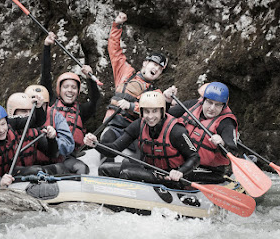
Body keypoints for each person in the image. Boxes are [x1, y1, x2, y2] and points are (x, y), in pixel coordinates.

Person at [101, 12, 177, 162]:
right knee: (107, 138)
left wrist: (130, 105)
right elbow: (114, 50)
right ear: (145, 63)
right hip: (113, 124)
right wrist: (117, 25)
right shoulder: (125, 72)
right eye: (153, 64)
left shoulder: (156, 93)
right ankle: (105, 170)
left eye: (159, 69)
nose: (155, 69)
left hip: (134, 131)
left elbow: (155, 114)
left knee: (144, 152)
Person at [83, 91, 199, 188]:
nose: (150, 116)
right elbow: (115, 149)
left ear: (162, 111)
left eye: (155, 111)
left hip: (169, 177)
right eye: (147, 111)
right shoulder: (139, 124)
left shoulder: (176, 131)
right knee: (104, 169)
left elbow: (195, 157)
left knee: (127, 173)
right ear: (142, 112)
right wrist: (96, 144)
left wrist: (180, 172)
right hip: (149, 170)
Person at [40, 32, 100, 174]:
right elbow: (45, 76)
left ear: (78, 91)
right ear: (59, 90)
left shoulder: (81, 111)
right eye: (66, 87)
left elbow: (96, 101)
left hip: (68, 157)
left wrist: (90, 79)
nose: (70, 91)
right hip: (48, 153)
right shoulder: (51, 102)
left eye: (74, 87)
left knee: (82, 168)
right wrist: (47, 47)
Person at [168, 82, 238, 183]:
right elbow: (164, 117)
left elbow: (233, 151)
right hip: (184, 159)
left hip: (209, 170)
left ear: (223, 107)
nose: (212, 108)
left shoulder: (226, 122)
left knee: (181, 174)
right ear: (203, 100)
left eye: (217, 105)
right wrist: (166, 100)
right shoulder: (192, 105)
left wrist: (222, 143)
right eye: (209, 102)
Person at [6, 92, 74, 175]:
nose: (28, 114)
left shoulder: (33, 131)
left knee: (60, 167)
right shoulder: (4, 132)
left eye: (30, 111)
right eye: (23, 111)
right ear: (12, 112)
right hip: (10, 173)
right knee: (37, 170)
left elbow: (53, 154)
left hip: (29, 170)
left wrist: (51, 139)